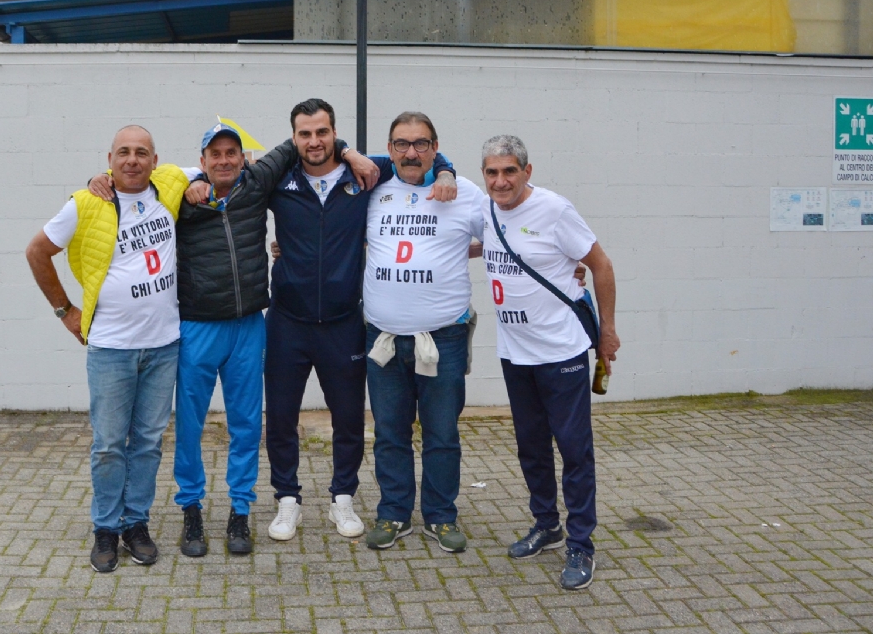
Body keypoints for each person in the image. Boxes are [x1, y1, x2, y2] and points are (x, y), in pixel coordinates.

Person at [87, 121, 382, 553]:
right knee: (190, 427)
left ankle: (240, 512)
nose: (224, 161)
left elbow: (299, 141)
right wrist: (102, 179)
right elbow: (135, 180)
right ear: (202, 161)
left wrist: (347, 148)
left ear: (243, 158)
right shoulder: (177, 197)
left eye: (232, 153)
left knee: (246, 426)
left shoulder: (258, 183)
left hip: (249, 326)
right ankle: (191, 510)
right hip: (197, 329)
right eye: (215, 155)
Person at [263, 100, 458, 542]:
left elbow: (423, 154)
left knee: (349, 417)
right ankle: (287, 500)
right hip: (287, 321)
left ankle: (342, 499)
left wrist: (444, 173)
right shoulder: (279, 179)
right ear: (294, 138)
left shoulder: (367, 174)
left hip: (343, 321)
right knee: (280, 417)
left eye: (323, 132)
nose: (315, 142)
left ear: (335, 133)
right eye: (305, 134)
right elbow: (219, 172)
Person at [24, 125, 189, 574]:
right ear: (109, 160)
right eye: (123, 153)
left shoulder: (171, 183)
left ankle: (136, 524)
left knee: (149, 443)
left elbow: (232, 161)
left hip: (163, 346)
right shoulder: (85, 203)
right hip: (111, 348)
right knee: (110, 445)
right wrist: (65, 311)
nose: (132, 160)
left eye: (141, 153)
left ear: (156, 160)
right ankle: (105, 528)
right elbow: (37, 251)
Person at [479, 134, 619, 591]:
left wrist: (607, 331)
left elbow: (600, 264)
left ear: (527, 171)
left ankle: (581, 542)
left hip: (561, 353)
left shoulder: (556, 210)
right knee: (531, 446)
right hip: (514, 352)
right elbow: (472, 246)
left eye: (509, 171)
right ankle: (547, 525)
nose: (500, 181)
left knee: (574, 449)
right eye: (492, 172)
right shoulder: (485, 209)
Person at [360, 112, 485, 554]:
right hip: (385, 340)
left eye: (421, 144)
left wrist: (564, 264)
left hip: (443, 339)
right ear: (388, 149)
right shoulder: (370, 190)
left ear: (436, 146)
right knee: (390, 432)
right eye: (401, 144)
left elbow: (503, 239)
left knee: (441, 432)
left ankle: (441, 516)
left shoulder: (464, 193)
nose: (411, 153)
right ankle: (394, 512)